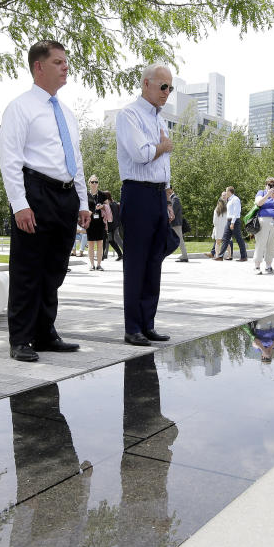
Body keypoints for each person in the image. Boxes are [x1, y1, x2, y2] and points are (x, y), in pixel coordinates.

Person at [0, 40, 91, 362]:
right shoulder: (20, 107)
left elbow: (75, 159)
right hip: (34, 192)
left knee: (54, 269)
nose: (66, 66)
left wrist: (83, 202)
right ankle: (21, 339)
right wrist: (19, 204)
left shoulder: (66, 112)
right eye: (58, 62)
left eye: (66, 61)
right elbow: (9, 159)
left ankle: (44, 332)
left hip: (65, 195)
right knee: (28, 270)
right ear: (39, 67)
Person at [115, 63, 176, 346]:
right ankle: (133, 328)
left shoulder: (159, 120)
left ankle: (148, 323)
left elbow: (162, 165)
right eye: (163, 86)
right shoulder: (129, 114)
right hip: (137, 193)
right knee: (136, 262)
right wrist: (163, 147)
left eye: (170, 88)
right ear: (146, 84)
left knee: (154, 262)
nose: (166, 92)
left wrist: (167, 198)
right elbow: (142, 154)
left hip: (156, 195)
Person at [252, 176, 274, 275]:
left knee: (271, 244)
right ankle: (257, 266)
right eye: (269, 185)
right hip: (264, 221)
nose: (271, 186)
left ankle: (268, 266)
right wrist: (267, 195)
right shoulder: (261, 193)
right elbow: (258, 203)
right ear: (265, 185)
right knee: (261, 243)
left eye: (273, 185)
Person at [216, 186, 247, 262]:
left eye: (226, 191)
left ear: (230, 192)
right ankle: (220, 256)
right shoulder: (229, 200)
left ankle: (244, 257)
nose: (225, 193)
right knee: (225, 238)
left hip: (234, 221)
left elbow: (236, 212)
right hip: (229, 221)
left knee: (239, 239)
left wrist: (232, 223)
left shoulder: (235, 199)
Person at [86, 174, 108, 271]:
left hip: (100, 222)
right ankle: (91, 264)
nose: (94, 184)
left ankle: (99, 264)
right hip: (90, 222)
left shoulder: (102, 194)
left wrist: (102, 206)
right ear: (89, 183)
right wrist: (88, 212)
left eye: (96, 182)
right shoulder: (86, 195)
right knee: (90, 244)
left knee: (100, 243)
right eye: (92, 182)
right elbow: (82, 207)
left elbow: (108, 206)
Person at [168, 188, 189, 262]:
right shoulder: (172, 198)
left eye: (167, 190)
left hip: (175, 223)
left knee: (180, 240)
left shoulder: (175, 199)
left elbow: (173, 211)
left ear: (171, 190)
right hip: (174, 223)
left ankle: (184, 256)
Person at [208, 191, 230, 259]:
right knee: (227, 242)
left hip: (219, 227)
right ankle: (229, 255)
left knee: (218, 243)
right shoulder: (228, 207)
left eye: (224, 195)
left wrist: (215, 226)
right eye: (223, 195)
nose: (223, 196)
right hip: (226, 226)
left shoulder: (217, 209)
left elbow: (215, 220)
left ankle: (217, 255)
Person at [105, 191, 123, 260]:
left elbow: (112, 216)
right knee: (109, 240)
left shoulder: (110, 205)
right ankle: (105, 255)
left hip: (112, 225)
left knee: (115, 239)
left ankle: (123, 254)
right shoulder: (114, 203)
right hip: (115, 224)